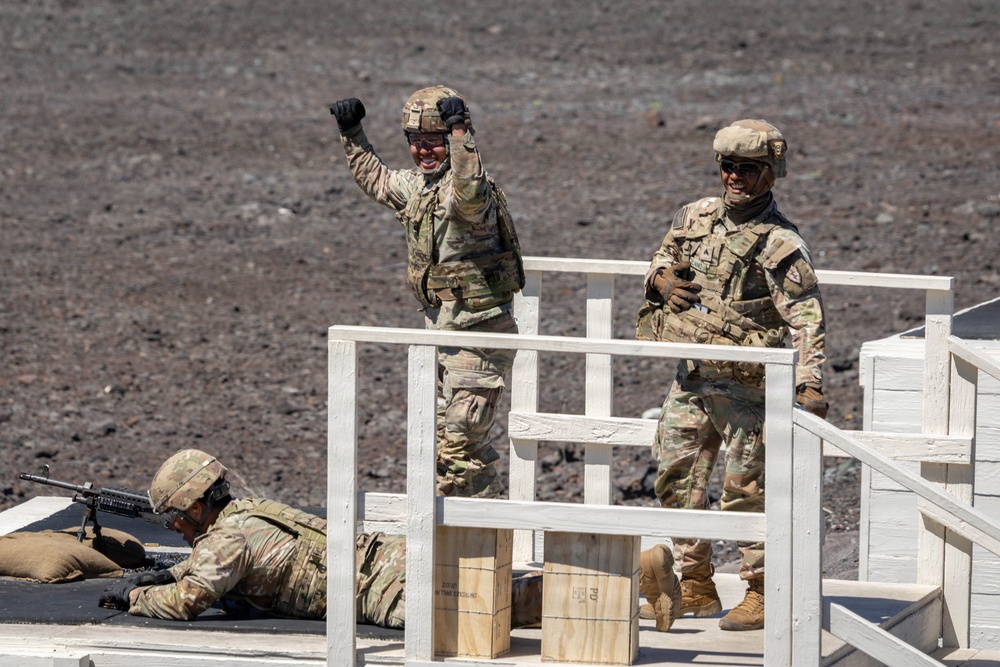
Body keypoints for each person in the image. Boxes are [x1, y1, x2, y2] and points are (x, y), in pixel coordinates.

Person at [635, 119, 828, 632]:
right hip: (693, 377)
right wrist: (659, 279)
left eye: (748, 168)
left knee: (747, 491)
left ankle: (761, 590)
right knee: (676, 477)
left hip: (748, 387)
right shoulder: (693, 216)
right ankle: (695, 584)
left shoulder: (780, 243)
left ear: (771, 173)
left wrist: (809, 381)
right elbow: (663, 254)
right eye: (728, 166)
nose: (734, 177)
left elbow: (805, 316)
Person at [96, 448, 556, 628]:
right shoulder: (246, 511)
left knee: (492, 611)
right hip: (382, 556)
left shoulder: (222, 543)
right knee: (493, 592)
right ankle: (593, 585)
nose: (174, 527)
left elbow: (186, 603)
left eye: (175, 518)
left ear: (197, 508)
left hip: (378, 591)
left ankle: (593, 596)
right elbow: (213, 567)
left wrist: (137, 595)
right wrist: (167, 572)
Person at [329, 86, 524, 500]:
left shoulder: (470, 190)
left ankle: (483, 544)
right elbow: (377, 180)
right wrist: (352, 132)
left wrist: (460, 134)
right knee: (449, 450)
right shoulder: (419, 188)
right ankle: (467, 548)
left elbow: (468, 194)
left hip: (480, 339)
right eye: (416, 143)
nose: (423, 151)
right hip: (443, 338)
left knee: (459, 445)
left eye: (432, 142)